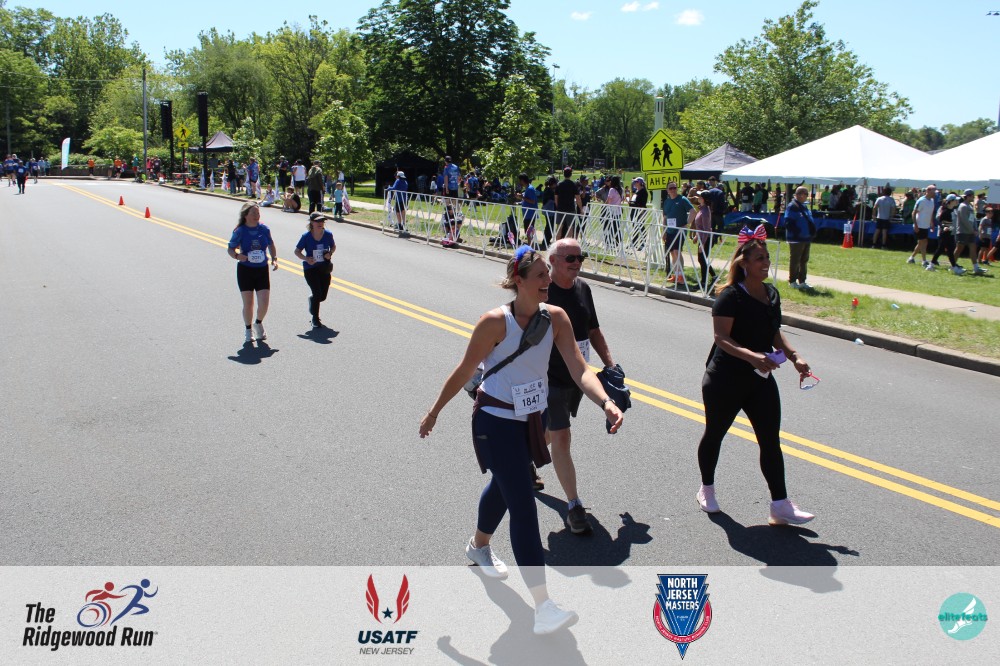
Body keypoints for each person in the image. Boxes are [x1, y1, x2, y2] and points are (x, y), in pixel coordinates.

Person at [418, 246, 623, 635]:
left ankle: (478, 546)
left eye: (548, 274)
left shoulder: (556, 318)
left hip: (532, 418)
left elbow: (580, 369)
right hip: (495, 421)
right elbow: (464, 370)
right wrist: (434, 412)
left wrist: (606, 402)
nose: (548, 281)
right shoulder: (495, 322)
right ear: (519, 280)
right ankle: (543, 606)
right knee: (523, 504)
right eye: (541, 276)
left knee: (504, 486)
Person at [695, 231, 815, 526]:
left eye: (767, 257)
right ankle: (706, 488)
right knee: (715, 434)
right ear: (744, 263)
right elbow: (721, 338)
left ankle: (780, 505)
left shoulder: (771, 294)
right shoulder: (730, 296)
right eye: (759, 258)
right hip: (724, 379)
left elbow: (774, 332)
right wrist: (751, 356)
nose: (766, 263)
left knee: (770, 440)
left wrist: (794, 357)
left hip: (759, 379)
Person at [539, 239, 616, 534]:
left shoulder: (583, 288)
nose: (577, 262)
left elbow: (593, 330)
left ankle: (525, 458)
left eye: (580, 257)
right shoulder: (543, 292)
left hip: (578, 376)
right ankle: (574, 506)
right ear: (553, 261)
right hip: (549, 377)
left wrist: (610, 365)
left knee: (552, 430)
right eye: (570, 258)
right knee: (562, 435)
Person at [227, 202, 278, 343]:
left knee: (264, 303)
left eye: (258, 213)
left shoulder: (264, 229)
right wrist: (237, 256)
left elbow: (271, 244)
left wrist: (274, 259)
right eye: (254, 213)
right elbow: (230, 249)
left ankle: (258, 323)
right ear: (246, 215)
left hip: (262, 269)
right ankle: (248, 330)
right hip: (245, 270)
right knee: (248, 303)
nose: (257, 215)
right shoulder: (240, 231)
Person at [294, 213, 336, 328]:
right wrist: (306, 259)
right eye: (318, 221)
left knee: (322, 296)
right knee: (317, 293)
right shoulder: (306, 236)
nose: (320, 223)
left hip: (324, 268)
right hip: (311, 268)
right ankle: (315, 318)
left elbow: (333, 246)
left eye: (322, 221)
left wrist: (330, 253)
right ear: (312, 222)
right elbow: (297, 251)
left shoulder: (328, 234)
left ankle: (312, 299)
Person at [661, 181, 694, 286]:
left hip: (679, 230)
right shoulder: (666, 202)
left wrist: (686, 224)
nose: (673, 190)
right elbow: (665, 217)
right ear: (667, 190)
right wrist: (664, 231)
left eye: (674, 188)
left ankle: (681, 276)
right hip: (670, 230)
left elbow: (693, 211)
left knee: (677, 251)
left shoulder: (682, 199)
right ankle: (676, 274)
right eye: (670, 188)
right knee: (672, 253)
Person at [784, 186, 816, 289]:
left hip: (806, 238)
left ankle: (802, 281)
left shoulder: (804, 206)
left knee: (804, 260)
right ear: (798, 195)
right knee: (795, 260)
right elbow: (788, 222)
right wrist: (796, 232)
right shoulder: (792, 206)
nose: (805, 196)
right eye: (803, 193)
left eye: (806, 194)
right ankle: (792, 281)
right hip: (796, 238)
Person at [954, 189, 986, 275]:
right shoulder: (963, 206)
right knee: (959, 249)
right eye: (972, 196)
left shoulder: (970, 206)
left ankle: (976, 267)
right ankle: (953, 265)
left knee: (973, 248)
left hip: (971, 232)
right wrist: (972, 230)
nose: (973, 197)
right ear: (968, 196)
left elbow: (973, 219)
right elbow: (964, 220)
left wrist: (975, 229)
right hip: (962, 231)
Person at [691, 191, 717, 290]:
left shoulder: (705, 211)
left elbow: (706, 229)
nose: (698, 197)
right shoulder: (702, 209)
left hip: (706, 239)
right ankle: (714, 277)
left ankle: (703, 282)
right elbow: (700, 226)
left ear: (704, 199)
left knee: (702, 259)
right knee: (702, 259)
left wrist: (702, 244)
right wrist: (697, 236)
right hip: (702, 237)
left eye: (700, 196)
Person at [930, 194, 961, 274]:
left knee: (950, 251)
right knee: (940, 249)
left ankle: (954, 267)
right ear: (951, 201)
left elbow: (952, 224)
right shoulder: (945, 211)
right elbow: (940, 221)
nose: (957, 201)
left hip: (950, 234)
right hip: (944, 234)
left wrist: (951, 228)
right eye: (955, 200)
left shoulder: (953, 211)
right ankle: (931, 265)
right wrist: (944, 227)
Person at [908, 185, 937, 267]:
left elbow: (930, 213)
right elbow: (914, 213)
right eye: (934, 191)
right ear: (928, 191)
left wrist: (931, 223)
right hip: (919, 225)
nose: (935, 193)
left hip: (926, 225)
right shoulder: (921, 200)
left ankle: (911, 258)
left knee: (921, 243)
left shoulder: (932, 201)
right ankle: (924, 261)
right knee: (923, 242)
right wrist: (915, 225)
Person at [554, 167, 583, 239]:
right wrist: (581, 209)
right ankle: (568, 244)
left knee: (559, 227)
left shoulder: (559, 184)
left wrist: (557, 207)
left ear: (563, 174)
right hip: (570, 209)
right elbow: (578, 198)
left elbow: (556, 198)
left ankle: (557, 244)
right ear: (571, 174)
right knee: (570, 228)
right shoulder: (573, 184)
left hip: (560, 209)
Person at [517, 173, 540, 246]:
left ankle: (530, 247)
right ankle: (530, 245)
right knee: (528, 231)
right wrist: (520, 200)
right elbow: (526, 200)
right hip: (527, 214)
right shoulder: (527, 188)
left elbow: (532, 201)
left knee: (529, 232)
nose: (519, 182)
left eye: (520, 180)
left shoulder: (530, 189)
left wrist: (522, 197)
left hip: (530, 214)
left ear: (522, 180)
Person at [386, 171, 409, 237]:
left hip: (399, 199)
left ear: (398, 176)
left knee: (398, 212)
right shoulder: (405, 182)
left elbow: (394, 188)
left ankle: (399, 225)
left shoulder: (398, 181)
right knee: (403, 211)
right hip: (405, 199)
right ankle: (404, 224)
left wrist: (388, 188)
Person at [629, 177, 648, 250]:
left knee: (641, 227)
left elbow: (642, 203)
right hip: (634, 211)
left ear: (640, 183)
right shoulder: (637, 191)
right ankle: (634, 242)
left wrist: (641, 213)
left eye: (636, 182)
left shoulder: (643, 192)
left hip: (640, 211)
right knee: (635, 227)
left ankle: (643, 244)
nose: (634, 183)